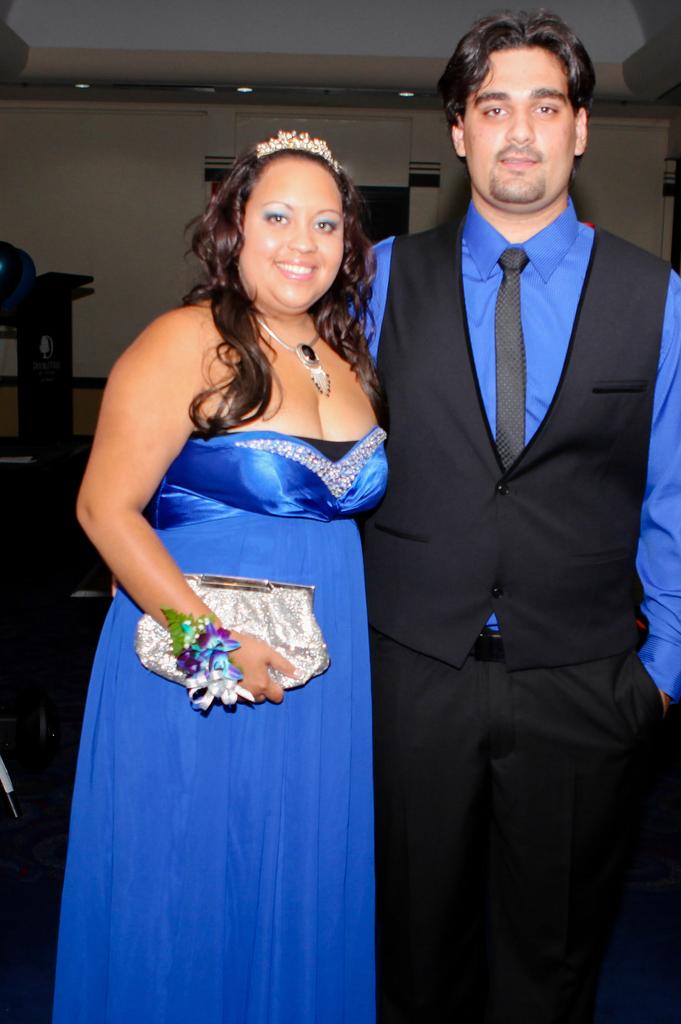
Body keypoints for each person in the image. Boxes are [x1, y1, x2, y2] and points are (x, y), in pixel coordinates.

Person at [364, 11, 681, 1024]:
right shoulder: (380, 283)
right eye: (493, 107)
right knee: (414, 953)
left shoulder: (660, 300)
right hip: (411, 679)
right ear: (458, 131)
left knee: (553, 961)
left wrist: (662, 676)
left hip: (583, 684)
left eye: (544, 105)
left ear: (578, 130)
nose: (518, 130)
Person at [53, 131, 386, 1024]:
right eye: (277, 215)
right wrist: (208, 649)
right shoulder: (184, 339)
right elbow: (102, 510)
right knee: (191, 886)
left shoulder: (344, 352)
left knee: (304, 883)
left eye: (326, 223)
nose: (301, 242)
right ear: (235, 225)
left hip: (324, 675)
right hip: (196, 675)